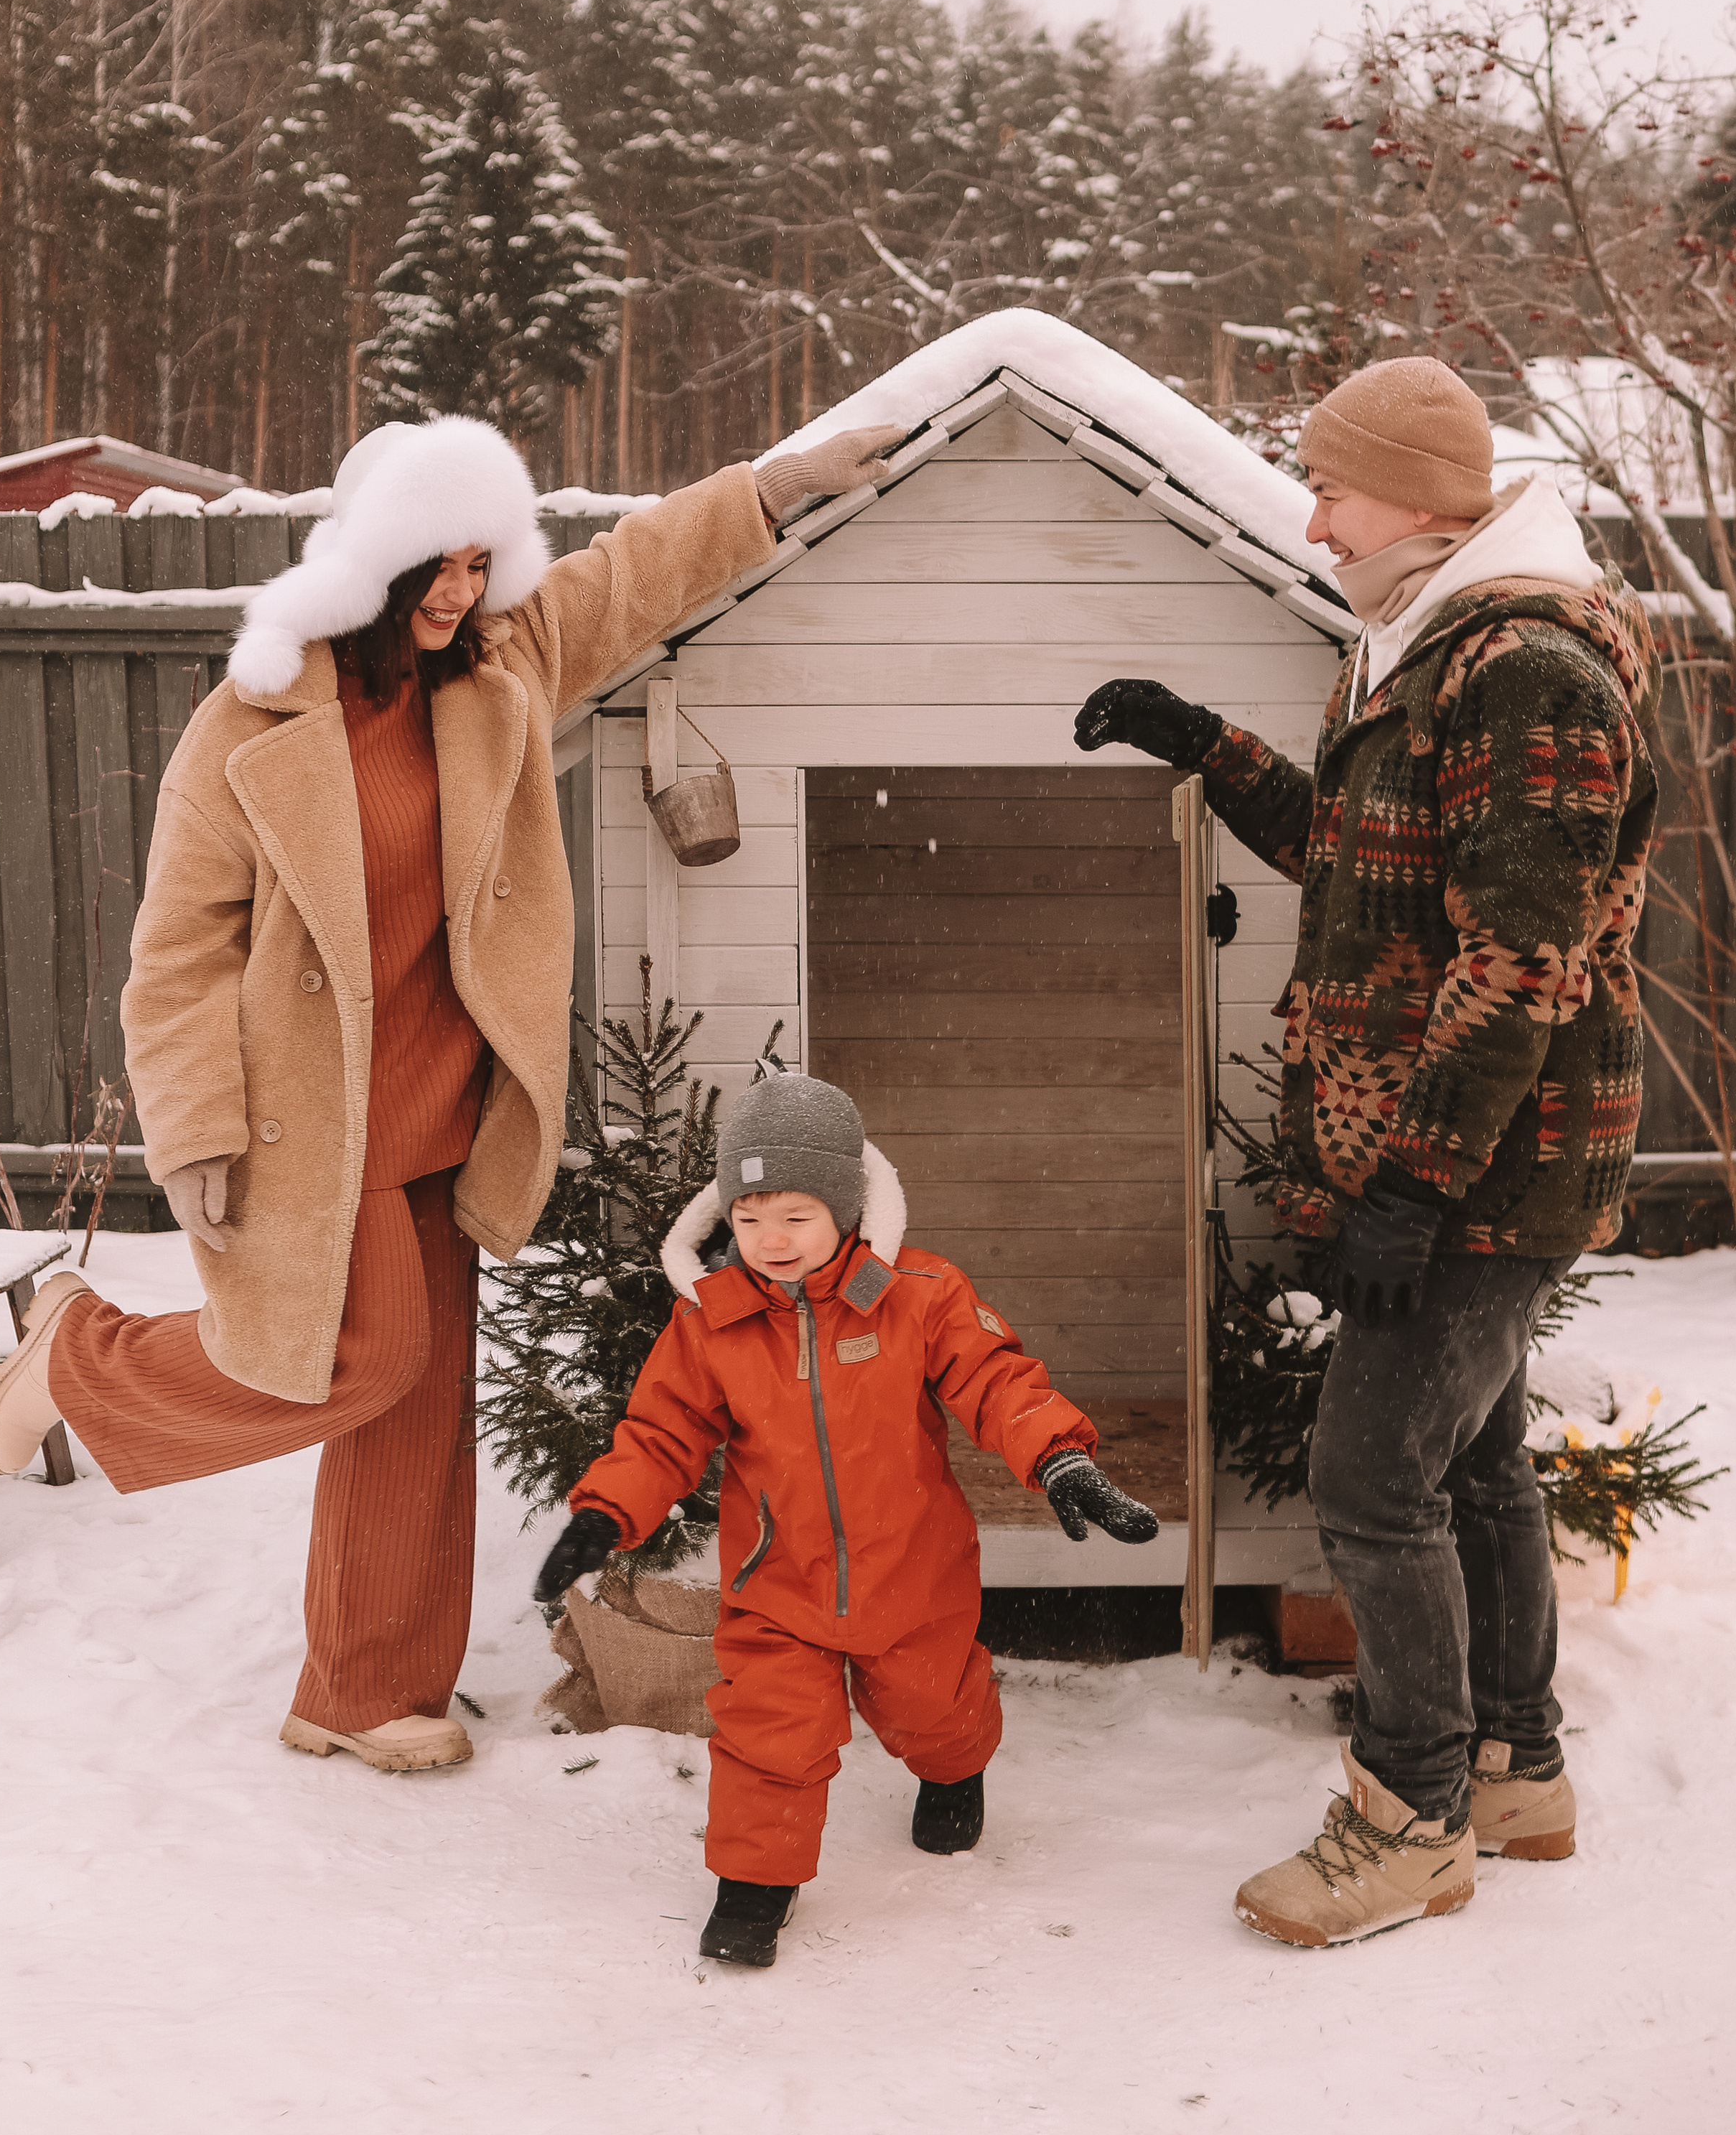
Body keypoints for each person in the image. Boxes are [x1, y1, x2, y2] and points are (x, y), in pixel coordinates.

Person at [0, 414, 898, 1775]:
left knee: (418, 1412)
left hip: (447, 1115)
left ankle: (362, 1689)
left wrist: (769, 488)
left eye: (479, 559)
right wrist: (195, 1125)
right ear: (369, 567)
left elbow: (636, 571)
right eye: (435, 566)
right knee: (360, 1364)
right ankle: (83, 1356)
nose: (461, 592)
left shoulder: (502, 667)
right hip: (312, 1118)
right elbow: (175, 952)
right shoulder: (256, 717)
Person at [1075, 356, 1661, 1948]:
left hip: (1489, 1161)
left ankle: (1409, 1818)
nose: (1311, 513)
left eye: (1330, 484)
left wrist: (1411, 1183)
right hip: (1453, 1150)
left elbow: (1517, 957)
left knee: (1366, 1476)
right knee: (1465, 1462)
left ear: (1418, 493)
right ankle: (1513, 1765)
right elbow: (1365, 865)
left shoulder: (1529, 671)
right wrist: (1211, 749)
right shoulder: (1422, 645)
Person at [530, 1074, 1159, 1966]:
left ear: (846, 1206)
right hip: (776, 1585)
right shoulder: (712, 1324)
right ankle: (754, 1887)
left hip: (912, 1574)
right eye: (748, 1220)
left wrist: (1057, 1456)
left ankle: (954, 1772)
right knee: (767, 1731)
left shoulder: (919, 1294)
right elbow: (661, 1432)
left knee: (931, 1712)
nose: (771, 1241)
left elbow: (995, 1380)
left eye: (794, 1215)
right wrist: (604, 1514)